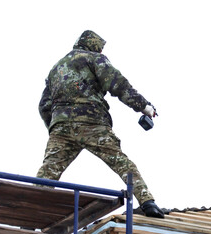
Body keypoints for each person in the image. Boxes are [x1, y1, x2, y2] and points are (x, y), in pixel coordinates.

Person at [36, 30, 164, 218]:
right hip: (93, 122)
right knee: (121, 162)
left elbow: (44, 106)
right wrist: (144, 107)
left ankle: (30, 214)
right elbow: (118, 85)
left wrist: (56, 128)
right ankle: (148, 203)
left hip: (61, 127)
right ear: (93, 44)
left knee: (47, 174)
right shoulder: (95, 59)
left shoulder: (56, 68)